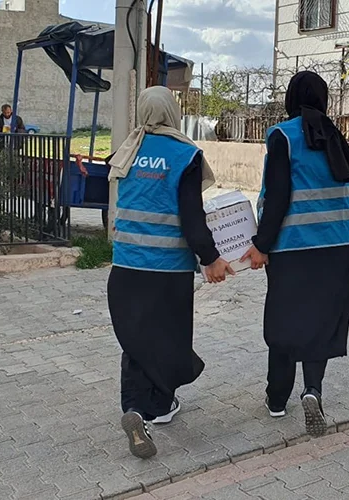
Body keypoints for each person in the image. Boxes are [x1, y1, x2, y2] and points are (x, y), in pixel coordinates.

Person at [107, 86, 234, 459]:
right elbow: (192, 217)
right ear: (173, 112)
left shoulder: (126, 152)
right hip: (168, 270)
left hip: (127, 266)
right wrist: (211, 258)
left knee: (136, 339)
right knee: (168, 336)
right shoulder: (184, 155)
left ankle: (134, 409)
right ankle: (160, 406)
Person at [241, 71, 349, 437]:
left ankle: (277, 400)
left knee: (285, 321)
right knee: (320, 322)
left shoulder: (283, 136)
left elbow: (277, 197)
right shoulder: (333, 134)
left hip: (293, 250)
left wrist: (261, 245)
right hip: (339, 248)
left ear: (291, 97)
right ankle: (313, 391)